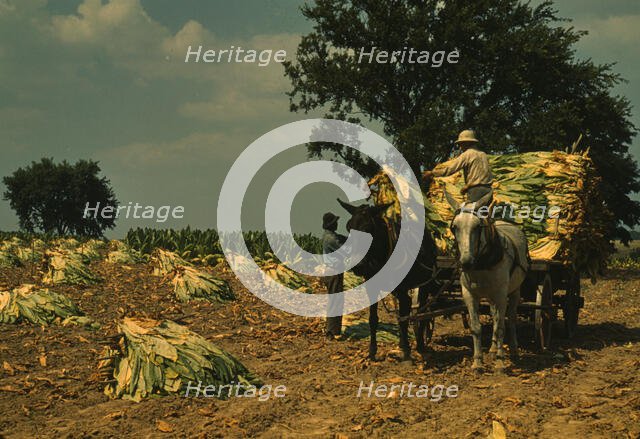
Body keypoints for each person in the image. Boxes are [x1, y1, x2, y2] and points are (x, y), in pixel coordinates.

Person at [423, 129, 494, 203]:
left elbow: (450, 170)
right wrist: (467, 187)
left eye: (461, 144)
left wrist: (432, 173)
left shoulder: (467, 154)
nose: (460, 147)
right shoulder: (483, 155)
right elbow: (484, 176)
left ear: (467, 143)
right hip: (488, 191)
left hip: (475, 192)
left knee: (470, 212)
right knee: (483, 213)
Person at [322, 212, 347, 339]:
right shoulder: (331, 239)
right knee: (335, 301)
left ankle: (334, 330)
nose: (337, 224)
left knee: (336, 300)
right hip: (334, 272)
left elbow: (341, 238)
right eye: (335, 222)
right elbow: (345, 250)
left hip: (332, 271)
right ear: (332, 225)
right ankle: (331, 332)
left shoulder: (330, 235)